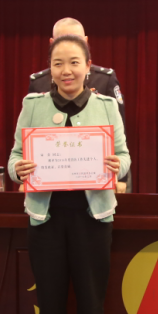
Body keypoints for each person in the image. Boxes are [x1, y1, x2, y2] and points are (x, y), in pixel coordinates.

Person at [9, 35, 130, 314]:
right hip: (46, 216)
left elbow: (124, 156)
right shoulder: (33, 105)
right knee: (50, 295)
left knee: (91, 295)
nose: (66, 71)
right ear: (49, 69)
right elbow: (15, 157)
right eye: (58, 63)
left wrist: (118, 165)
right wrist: (18, 169)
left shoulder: (106, 106)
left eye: (74, 62)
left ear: (88, 67)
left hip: (92, 216)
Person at [29, 18, 130, 193]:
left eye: (76, 40)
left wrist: (120, 178)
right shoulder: (38, 83)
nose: (69, 45)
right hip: (52, 178)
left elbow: (119, 134)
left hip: (97, 180)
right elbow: (30, 137)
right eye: (63, 39)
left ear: (86, 41)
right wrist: (27, 177)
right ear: (52, 43)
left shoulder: (105, 79)